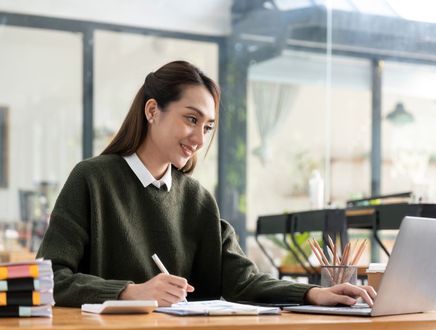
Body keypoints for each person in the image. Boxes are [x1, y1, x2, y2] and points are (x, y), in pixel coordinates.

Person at [37, 60, 376, 307]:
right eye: (191, 119)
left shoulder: (196, 199)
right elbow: (50, 279)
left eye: (208, 126)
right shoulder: (92, 180)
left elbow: (242, 280)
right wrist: (130, 291)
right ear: (153, 110)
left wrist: (312, 293)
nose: (199, 138)